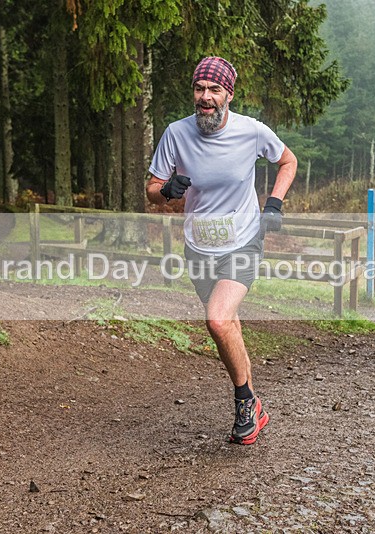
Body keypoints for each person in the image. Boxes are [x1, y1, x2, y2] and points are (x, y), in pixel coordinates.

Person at [146, 56, 297, 445]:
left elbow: (287, 160)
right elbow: (151, 190)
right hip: (199, 246)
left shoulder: (252, 131)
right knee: (225, 325)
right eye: (199, 89)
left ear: (229, 94)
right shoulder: (176, 134)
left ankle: (244, 403)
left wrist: (275, 203)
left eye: (214, 90)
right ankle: (255, 404)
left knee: (216, 319)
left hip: (244, 239)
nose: (205, 97)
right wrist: (167, 191)